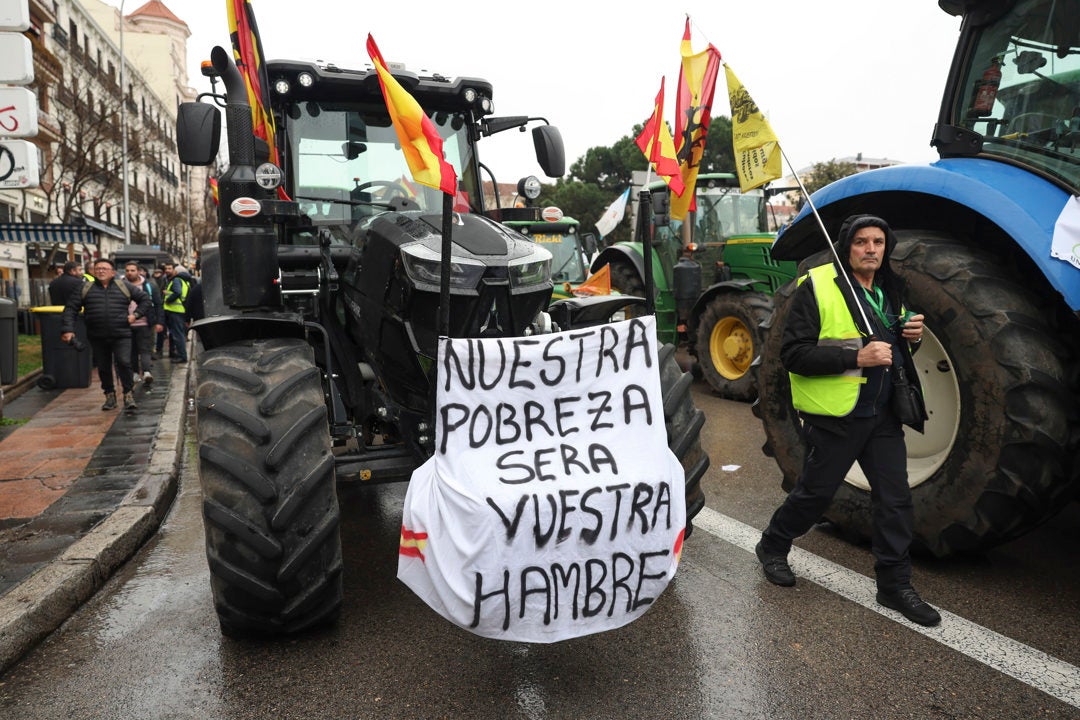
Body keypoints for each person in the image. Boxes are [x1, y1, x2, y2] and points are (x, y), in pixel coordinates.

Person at [754, 214, 941, 627]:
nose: (871, 249)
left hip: (884, 413)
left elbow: (893, 341)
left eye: (878, 241)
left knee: (895, 499)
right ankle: (773, 544)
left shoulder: (890, 287)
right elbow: (794, 355)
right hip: (838, 416)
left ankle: (894, 584)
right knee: (816, 495)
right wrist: (856, 357)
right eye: (861, 242)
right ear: (846, 246)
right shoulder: (818, 286)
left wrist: (913, 335)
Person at [61, 258, 151, 412]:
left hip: (122, 333)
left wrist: (135, 315)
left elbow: (145, 300)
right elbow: (70, 309)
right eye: (98, 268)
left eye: (104, 268)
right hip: (97, 335)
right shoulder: (85, 288)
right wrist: (68, 329)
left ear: (113, 272)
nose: (101, 271)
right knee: (103, 367)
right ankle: (109, 396)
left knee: (124, 362)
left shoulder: (123, 286)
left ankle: (128, 394)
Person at [123, 262, 164, 388]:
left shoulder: (149, 285)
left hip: (145, 323)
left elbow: (158, 304)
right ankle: (135, 373)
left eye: (132, 270)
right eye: (128, 270)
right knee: (132, 350)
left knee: (145, 348)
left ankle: (146, 372)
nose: (130, 272)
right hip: (126, 324)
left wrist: (159, 322)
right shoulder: (120, 286)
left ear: (138, 271)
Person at [162, 262, 190, 363]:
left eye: (170, 268)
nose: (167, 271)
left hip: (175, 311)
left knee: (178, 335)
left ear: (175, 271)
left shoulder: (176, 280)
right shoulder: (184, 280)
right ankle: (180, 354)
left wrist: (168, 299)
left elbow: (177, 293)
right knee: (179, 334)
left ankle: (182, 356)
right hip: (180, 311)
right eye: (166, 268)